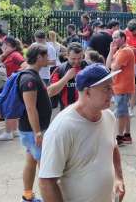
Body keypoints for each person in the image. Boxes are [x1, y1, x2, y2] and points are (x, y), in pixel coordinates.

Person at [39, 64, 124, 202]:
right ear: (87, 92)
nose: (112, 93)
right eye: (106, 89)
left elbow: (113, 147)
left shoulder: (109, 116)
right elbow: (46, 181)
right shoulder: (63, 127)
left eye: (111, 87)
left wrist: (119, 178)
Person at [18, 44, 53, 202]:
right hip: (33, 132)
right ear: (39, 57)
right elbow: (31, 108)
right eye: (46, 56)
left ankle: (27, 196)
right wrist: (38, 132)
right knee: (45, 170)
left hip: (33, 131)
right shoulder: (29, 79)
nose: (48, 59)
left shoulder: (33, 74)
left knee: (31, 162)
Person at [107, 30, 136, 147]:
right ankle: (127, 135)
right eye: (113, 37)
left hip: (123, 86)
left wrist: (113, 62)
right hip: (120, 85)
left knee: (121, 113)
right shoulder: (119, 50)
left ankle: (119, 137)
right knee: (124, 112)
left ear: (123, 38)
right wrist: (111, 51)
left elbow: (113, 67)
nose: (113, 40)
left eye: (116, 37)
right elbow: (109, 65)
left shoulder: (125, 51)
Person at [0, 36, 26, 141]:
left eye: (2, 45)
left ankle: (8, 132)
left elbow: (25, 66)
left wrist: (14, 76)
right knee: (12, 107)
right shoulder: (10, 55)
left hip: (12, 84)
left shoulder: (15, 55)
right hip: (10, 84)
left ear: (7, 45)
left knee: (8, 107)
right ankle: (14, 130)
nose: (1, 47)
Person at [48, 43, 87, 110]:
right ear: (67, 56)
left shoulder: (89, 67)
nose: (76, 61)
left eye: (79, 58)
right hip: (67, 110)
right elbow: (50, 92)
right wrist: (66, 78)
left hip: (86, 109)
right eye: (73, 58)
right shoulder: (60, 69)